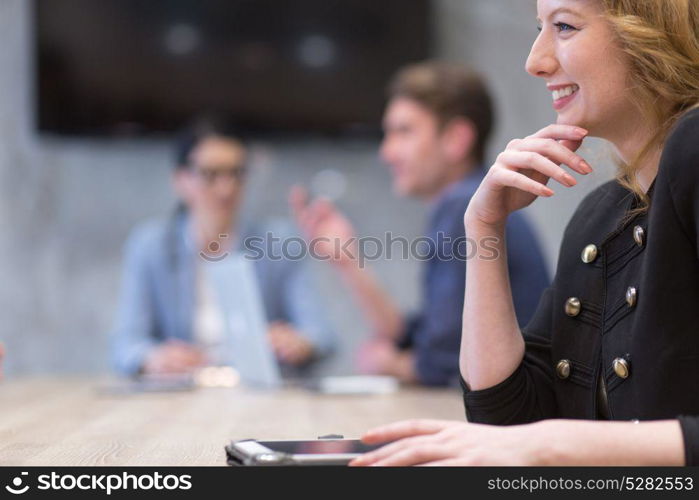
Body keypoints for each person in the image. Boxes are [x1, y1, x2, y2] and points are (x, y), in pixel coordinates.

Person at [350, 0, 699, 466]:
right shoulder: (602, 214)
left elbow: (529, 441)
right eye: (539, 28)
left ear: (650, 31)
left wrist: (552, 443)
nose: (535, 61)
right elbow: (507, 422)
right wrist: (484, 226)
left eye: (566, 27)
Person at [292, 62, 549, 386]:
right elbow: (422, 337)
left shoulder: (463, 207)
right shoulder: (469, 203)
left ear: (456, 139)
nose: (387, 152)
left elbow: (442, 365)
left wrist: (390, 363)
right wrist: (348, 260)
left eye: (404, 132)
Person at [111, 119, 334, 377]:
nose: (226, 188)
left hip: (262, 396)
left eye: (236, 173)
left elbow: (322, 336)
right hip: (180, 397)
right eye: (210, 174)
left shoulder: (279, 243)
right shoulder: (151, 246)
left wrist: (299, 343)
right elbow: (124, 345)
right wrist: (153, 358)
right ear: (181, 180)